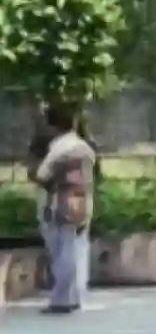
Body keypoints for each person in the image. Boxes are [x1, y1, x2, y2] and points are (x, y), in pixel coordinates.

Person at [32, 103, 96, 315]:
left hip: (59, 204)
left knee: (61, 252)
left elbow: (42, 175)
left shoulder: (59, 148)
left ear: (53, 126)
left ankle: (61, 301)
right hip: (83, 202)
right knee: (78, 249)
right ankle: (76, 296)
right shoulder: (85, 147)